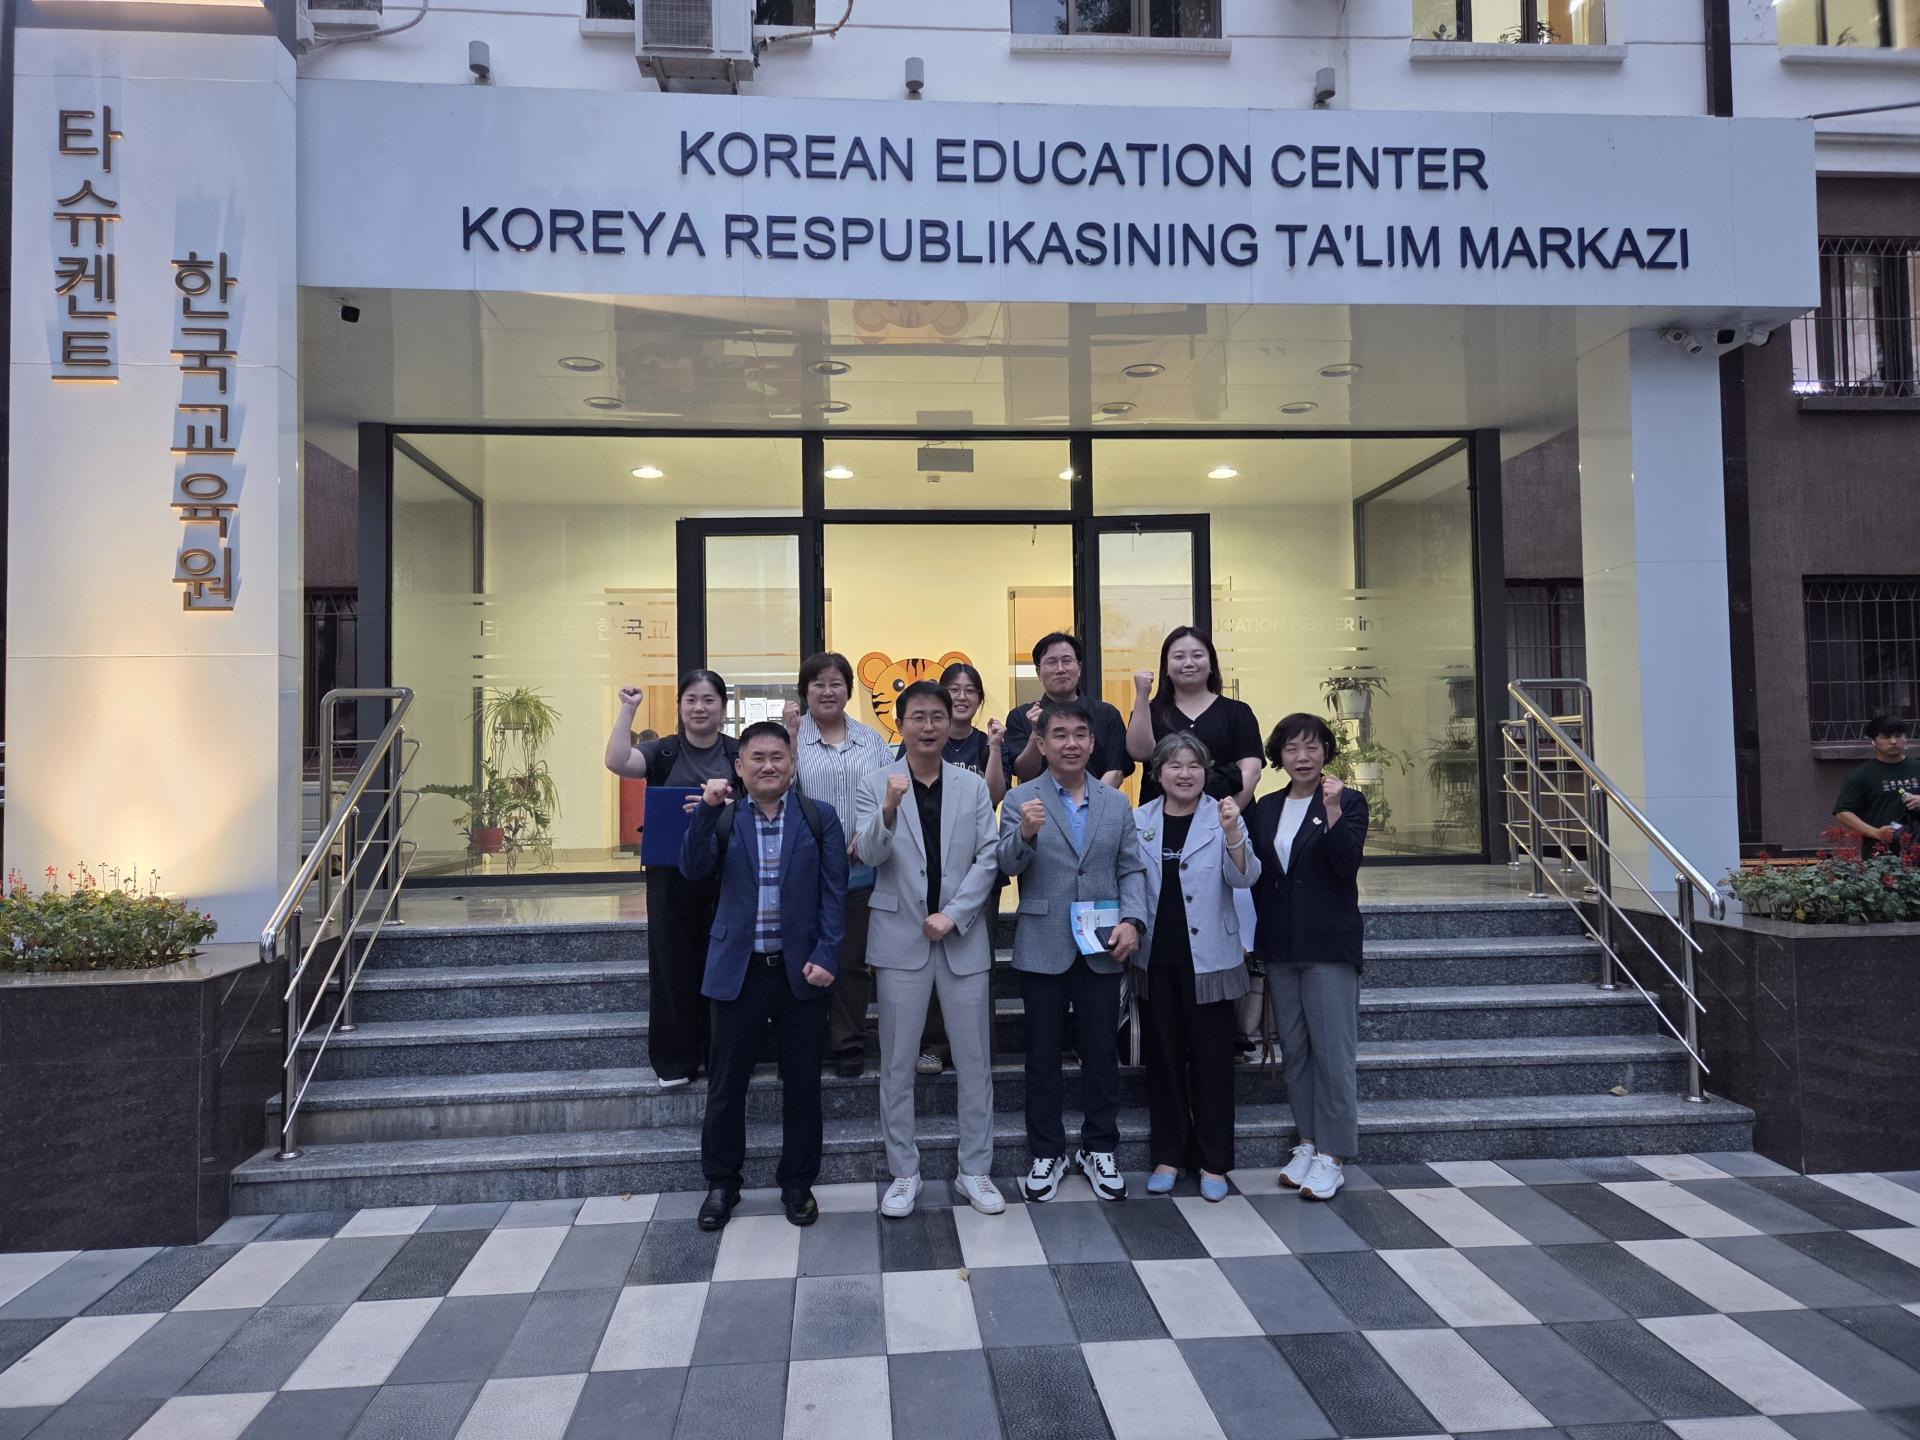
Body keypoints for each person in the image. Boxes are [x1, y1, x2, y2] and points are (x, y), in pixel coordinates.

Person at [680, 720, 847, 1232]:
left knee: (803, 1085)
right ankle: (722, 1184)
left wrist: (828, 954)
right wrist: (706, 813)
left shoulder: (819, 818)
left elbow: (834, 894)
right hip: (739, 970)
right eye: (758, 757)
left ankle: (797, 1183)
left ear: (792, 763)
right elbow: (691, 870)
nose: (768, 765)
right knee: (726, 1085)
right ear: (739, 766)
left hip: (801, 972)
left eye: (778, 756)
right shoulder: (725, 817)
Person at [856, 681, 1005, 1219]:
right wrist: (889, 809)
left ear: (950, 722)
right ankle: (904, 1173)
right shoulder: (876, 782)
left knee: (974, 1062)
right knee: (898, 1064)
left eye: (937, 716)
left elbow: (989, 856)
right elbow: (868, 854)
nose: (927, 726)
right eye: (917, 716)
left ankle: (975, 1170)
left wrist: (955, 914)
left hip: (962, 939)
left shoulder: (972, 786)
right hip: (900, 939)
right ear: (900, 723)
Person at [998, 699, 1150, 1203]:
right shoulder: (1021, 799)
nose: (1070, 743)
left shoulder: (1116, 802)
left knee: (1101, 1052)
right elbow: (1007, 867)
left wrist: (1133, 921)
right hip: (1043, 942)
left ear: (1092, 743)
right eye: (1059, 735)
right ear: (1041, 744)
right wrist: (1024, 834)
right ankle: (1047, 1151)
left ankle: (1099, 1147)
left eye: (1079, 735)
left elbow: (1130, 867)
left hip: (1102, 944)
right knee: (1042, 1055)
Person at [1133, 733, 1260, 1203]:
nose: (1184, 774)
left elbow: (1245, 876)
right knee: (1164, 1062)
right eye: (1174, 765)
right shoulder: (1140, 820)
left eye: (1193, 766)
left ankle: (1213, 1162)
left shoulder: (1223, 815)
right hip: (1155, 959)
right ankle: (1168, 1156)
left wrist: (1233, 833)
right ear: (1157, 773)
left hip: (1211, 961)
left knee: (1212, 1064)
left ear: (1205, 772)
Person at [1248, 712, 1369, 1203]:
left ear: (1326, 752)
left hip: (1327, 945)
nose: (1302, 757)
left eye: (1312, 747)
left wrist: (1334, 809)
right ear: (1279, 755)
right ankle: (1308, 1142)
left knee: (1332, 1055)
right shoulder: (1267, 806)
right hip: (1281, 945)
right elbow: (1258, 873)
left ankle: (1333, 1156)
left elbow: (1346, 864)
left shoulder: (1348, 801)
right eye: (1292, 748)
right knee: (1295, 1051)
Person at [603, 669, 737, 1090]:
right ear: (680, 707)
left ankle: (723, 1055)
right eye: (691, 699)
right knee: (671, 967)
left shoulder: (738, 753)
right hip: (669, 878)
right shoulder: (662, 751)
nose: (700, 707)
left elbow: (767, 797)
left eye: (709, 699)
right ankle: (676, 1060)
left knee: (724, 964)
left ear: (723, 707)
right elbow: (617, 761)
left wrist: (725, 808)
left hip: (728, 875)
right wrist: (628, 710)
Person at [895, 660, 1008, 1077]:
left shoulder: (987, 741)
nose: (962, 696)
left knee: (974, 965)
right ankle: (934, 1045)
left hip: (973, 874)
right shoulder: (911, 749)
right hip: (921, 877)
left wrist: (995, 748)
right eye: (953, 689)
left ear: (979, 699)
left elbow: (994, 797)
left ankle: (978, 1044)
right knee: (926, 964)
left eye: (969, 690)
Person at [785, 652, 893, 1079]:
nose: (828, 691)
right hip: (804, 871)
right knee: (804, 953)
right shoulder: (790, 736)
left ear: (849, 690)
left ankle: (848, 1041)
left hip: (860, 868)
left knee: (852, 960)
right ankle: (806, 1040)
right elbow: (778, 791)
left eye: (836, 683)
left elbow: (888, 798)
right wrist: (791, 738)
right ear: (804, 691)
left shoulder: (871, 741)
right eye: (818, 684)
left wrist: (867, 837)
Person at [1123, 626, 1263, 809]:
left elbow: (1251, 771)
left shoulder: (1237, 712)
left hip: (1226, 819)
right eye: (1179, 657)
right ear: (1166, 667)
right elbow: (1139, 753)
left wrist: (1223, 818)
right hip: (1162, 821)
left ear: (1211, 664)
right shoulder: (1150, 711)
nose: (1188, 663)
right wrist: (1142, 696)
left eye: (1197, 655)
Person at [1000, 633, 1133, 789]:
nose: (1060, 669)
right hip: (1038, 803)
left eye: (1067, 661)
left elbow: (1115, 771)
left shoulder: (1107, 714)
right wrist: (1036, 732)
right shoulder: (1020, 716)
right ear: (1038, 672)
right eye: (1051, 662)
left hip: (1098, 802)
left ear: (1079, 668)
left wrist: (1089, 802)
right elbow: (1024, 772)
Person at [1833, 713, 1920, 854]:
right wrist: (1876, 833)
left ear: (1905, 738)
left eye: (1898, 736)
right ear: (1873, 741)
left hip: (1916, 850)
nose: (1893, 741)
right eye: (1886, 737)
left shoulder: (1917, 767)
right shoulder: (1862, 774)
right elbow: (1842, 812)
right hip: (1880, 854)